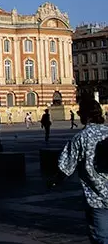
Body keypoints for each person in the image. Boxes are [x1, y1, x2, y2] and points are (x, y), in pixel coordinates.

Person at [53, 97, 108, 243]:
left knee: (101, 237)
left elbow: (65, 166)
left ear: (85, 115)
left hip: (97, 198)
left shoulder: (81, 137)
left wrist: (54, 181)